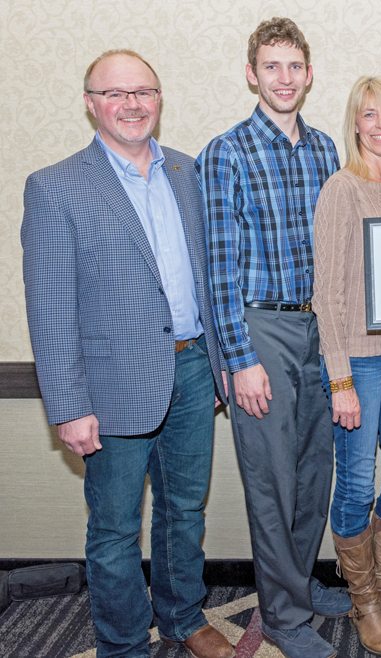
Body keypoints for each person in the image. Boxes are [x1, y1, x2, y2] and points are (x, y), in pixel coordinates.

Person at [22, 50, 233, 658]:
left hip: (194, 368)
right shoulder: (56, 186)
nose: (132, 104)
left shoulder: (189, 173)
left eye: (144, 91)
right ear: (90, 103)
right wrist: (68, 405)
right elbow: (51, 310)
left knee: (184, 510)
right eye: (116, 94)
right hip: (110, 386)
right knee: (114, 530)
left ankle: (183, 617)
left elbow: (209, 274)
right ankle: (120, 643)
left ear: (159, 100)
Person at [196, 17, 349, 658]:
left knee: (316, 469)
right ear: (252, 74)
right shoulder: (225, 152)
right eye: (271, 67)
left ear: (308, 75)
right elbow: (219, 267)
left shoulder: (324, 152)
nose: (283, 79)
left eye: (295, 67)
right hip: (260, 328)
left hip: (320, 325)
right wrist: (239, 359)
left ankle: (301, 584)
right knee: (272, 479)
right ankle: (283, 615)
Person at [312, 76, 381, 656]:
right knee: (357, 485)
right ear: (355, 122)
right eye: (369, 115)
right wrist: (340, 379)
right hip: (358, 360)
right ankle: (362, 601)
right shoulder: (342, 189)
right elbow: (326, 294)